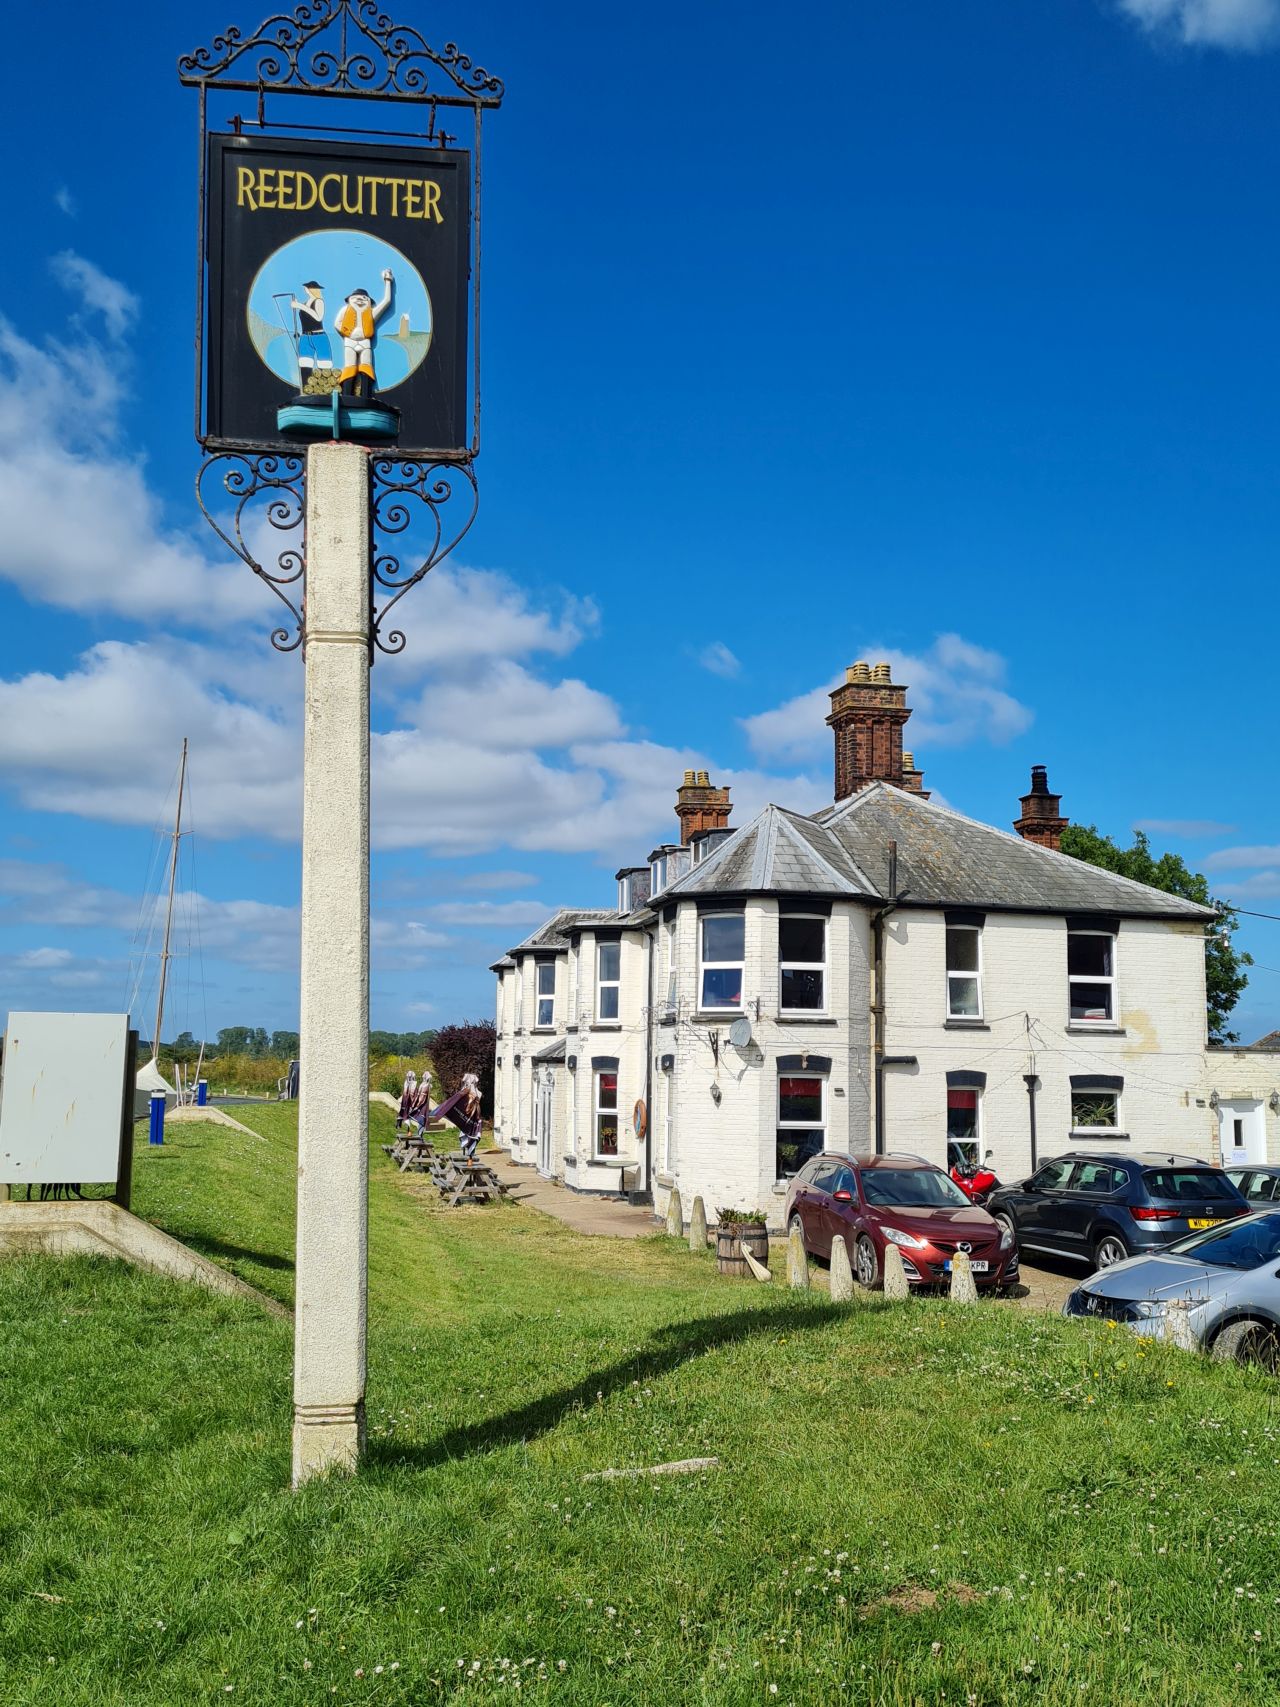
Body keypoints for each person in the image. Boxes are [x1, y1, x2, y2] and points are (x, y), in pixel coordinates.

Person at [334, 270, 393, 399]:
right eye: (356, 298)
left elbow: (387, 301)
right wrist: (348, 333)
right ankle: (346, 396)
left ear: (368, 301)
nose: (360, 300)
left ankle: (366, 395)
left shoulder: (371, 313)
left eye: (364, 298)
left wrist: (388, 281)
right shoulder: (345, 310)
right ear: (350, 300)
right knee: (350, 367)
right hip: (350, 342)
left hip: (365, 342)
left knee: (366, 366)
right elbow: (337, 324)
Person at [290, 282, 330, 380]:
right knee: (304, 365)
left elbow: (318, 317)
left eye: (307, 288)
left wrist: (300, 306)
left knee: (324, 366)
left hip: (319, 337)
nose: (305, 289)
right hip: (305, 337)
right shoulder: (305, 303)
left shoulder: (319, 301)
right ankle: (306, 389)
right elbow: (305, 320)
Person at [456, 1071, 483, 1160]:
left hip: (475, 1117)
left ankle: (470, 1155)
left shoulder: (478, 1093)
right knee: (466, 1134)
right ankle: (467, 1154)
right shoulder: (464, 1092)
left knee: (473, 1135)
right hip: (466, 1116)